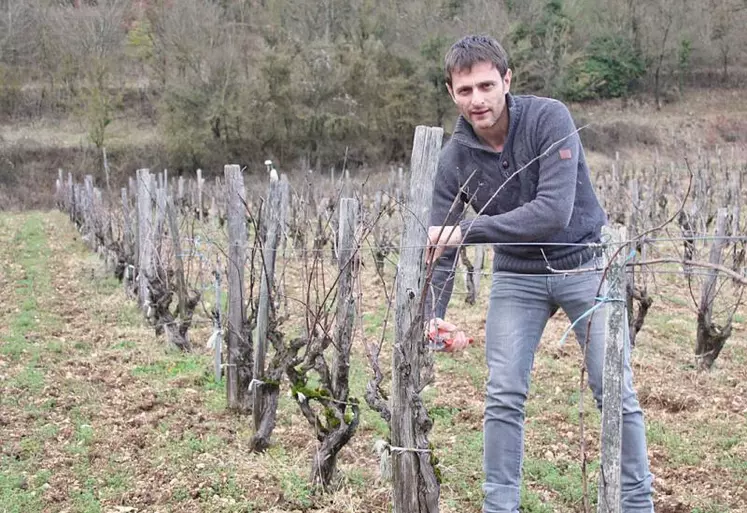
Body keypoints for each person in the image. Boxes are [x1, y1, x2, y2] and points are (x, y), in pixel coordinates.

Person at [425, 35, 654, 513]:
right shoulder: (455, 158)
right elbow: (439, 245)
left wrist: (465, 231)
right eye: (465, 90)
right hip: (517, 275)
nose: (478, 100)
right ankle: (499, 506)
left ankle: (637, 504)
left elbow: (552, 212)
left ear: (507, 81)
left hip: (585, 262)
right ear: (451, 92)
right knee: (503, 394)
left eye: (487, 85)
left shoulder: (549, 118)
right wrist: (434, 313)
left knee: (613, 390)